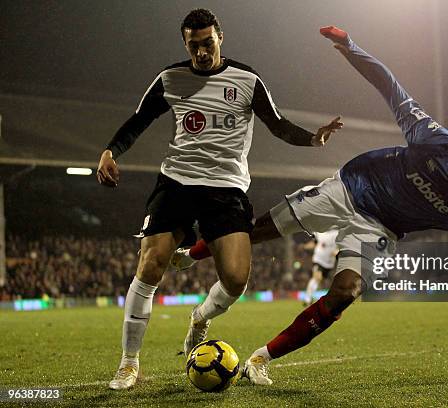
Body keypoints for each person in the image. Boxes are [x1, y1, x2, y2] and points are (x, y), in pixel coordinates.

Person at [172, 25, 448, 385]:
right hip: (352, 187)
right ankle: (193, 254)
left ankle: (260, 360)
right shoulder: (435, 139)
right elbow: (391, 87)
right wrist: (351, 47)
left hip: (380, 228)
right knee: (258, 230)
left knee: (345, 293)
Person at [96, 9, 343, 390]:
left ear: (220, 38)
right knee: (151, 264)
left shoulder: (247, 79)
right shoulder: (170, 79)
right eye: (193, 45)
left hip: (226, 189)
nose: (201, 52)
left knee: (235, 279)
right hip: (176, 182)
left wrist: (314, 138)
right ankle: (129, 363)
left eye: (207, 43)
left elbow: (276, 124)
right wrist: (111, 151)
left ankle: (200, 317)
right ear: (185, 44)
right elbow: (138, 120)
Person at [303, 230, 339, 306]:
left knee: (319, 280)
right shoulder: (318, 231)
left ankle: (310, 297)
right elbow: (315, 243)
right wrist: (305, 246)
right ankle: (307, 299)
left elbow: (340, 246)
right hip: (318, 259)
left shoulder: (337, 233)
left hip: (329, 263)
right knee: (317, 277)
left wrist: (337, 251)